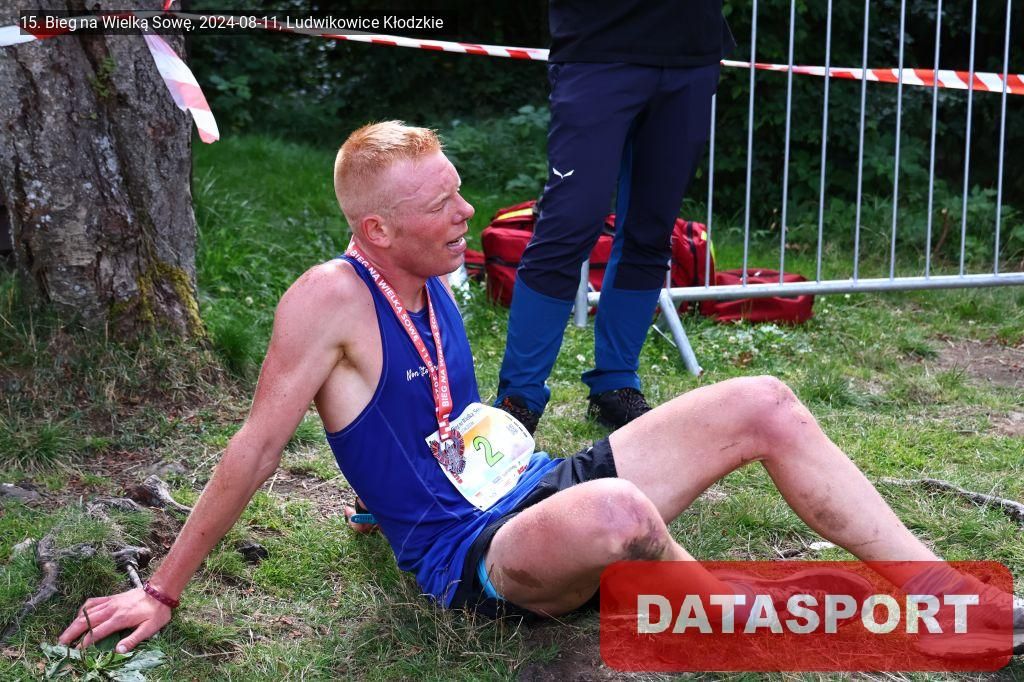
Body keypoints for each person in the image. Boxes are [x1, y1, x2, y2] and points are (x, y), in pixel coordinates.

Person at [59, 122, 1019, 655]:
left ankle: (937, 594)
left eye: (457, 190)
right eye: (441, 204)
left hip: (532, 489)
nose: (466, 212)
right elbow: (257, 448)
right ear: (377, 231)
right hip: (480, 558)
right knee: (618, 512)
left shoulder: (430, 277)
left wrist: (375, 501)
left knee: (762, 396)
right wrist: (163, 592)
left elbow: (421, 413)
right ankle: (731, 623)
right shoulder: (326, 298)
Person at [494, 0, 736, 434]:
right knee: (568, 226)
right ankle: (519, 398)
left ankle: (616, 385)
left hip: (691, 52)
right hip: (598, 48)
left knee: (651, 231)